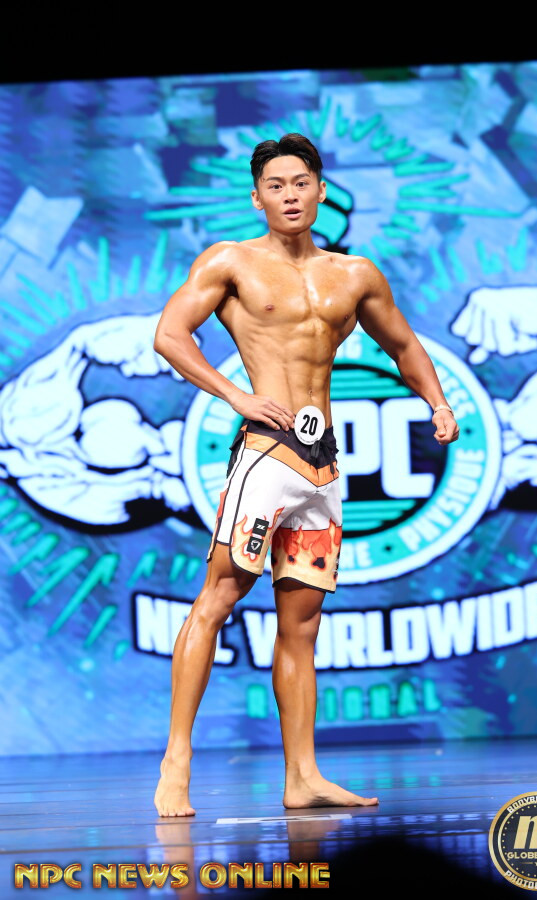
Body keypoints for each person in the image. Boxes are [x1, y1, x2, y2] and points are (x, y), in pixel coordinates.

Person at [152, 133, 459, 816]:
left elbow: (404, 345)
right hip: (266, 455)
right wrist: (235, 396)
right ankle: (176, 761)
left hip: (322, 469)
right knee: (218, 598)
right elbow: (169, 334)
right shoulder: (231, 262)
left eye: (300, 183)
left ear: (321, 190)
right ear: (257, 197)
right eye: (276, 186)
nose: (289, 196)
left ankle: (303, 777)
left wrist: (437, 403)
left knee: (302, 625)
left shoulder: (355, 275)